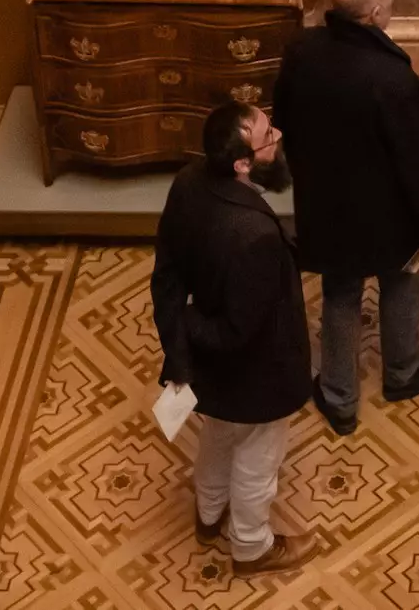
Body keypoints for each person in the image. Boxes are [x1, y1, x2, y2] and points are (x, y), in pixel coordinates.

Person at [273, 0, 419, 435]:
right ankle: (403, 371)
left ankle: (338, 396)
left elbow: (286, 121)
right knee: (402, 282)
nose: (393, 5)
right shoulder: (392, 78)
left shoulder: (301, 52)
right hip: (387, 214)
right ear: (375, 12)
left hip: (327, 207)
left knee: (339, 293)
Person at [150, 104, 312, 575]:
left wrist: (179, 342)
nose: (276, 136)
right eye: (268, 135)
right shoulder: (253, 235)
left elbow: (168, 272)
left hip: (209, 367)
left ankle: (208, 513)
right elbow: (240, 331)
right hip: (258, 370)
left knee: (217, 435)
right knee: (259, 461)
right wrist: (189, 326)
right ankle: (251, 546)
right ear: (243, 163)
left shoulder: (188, 181)